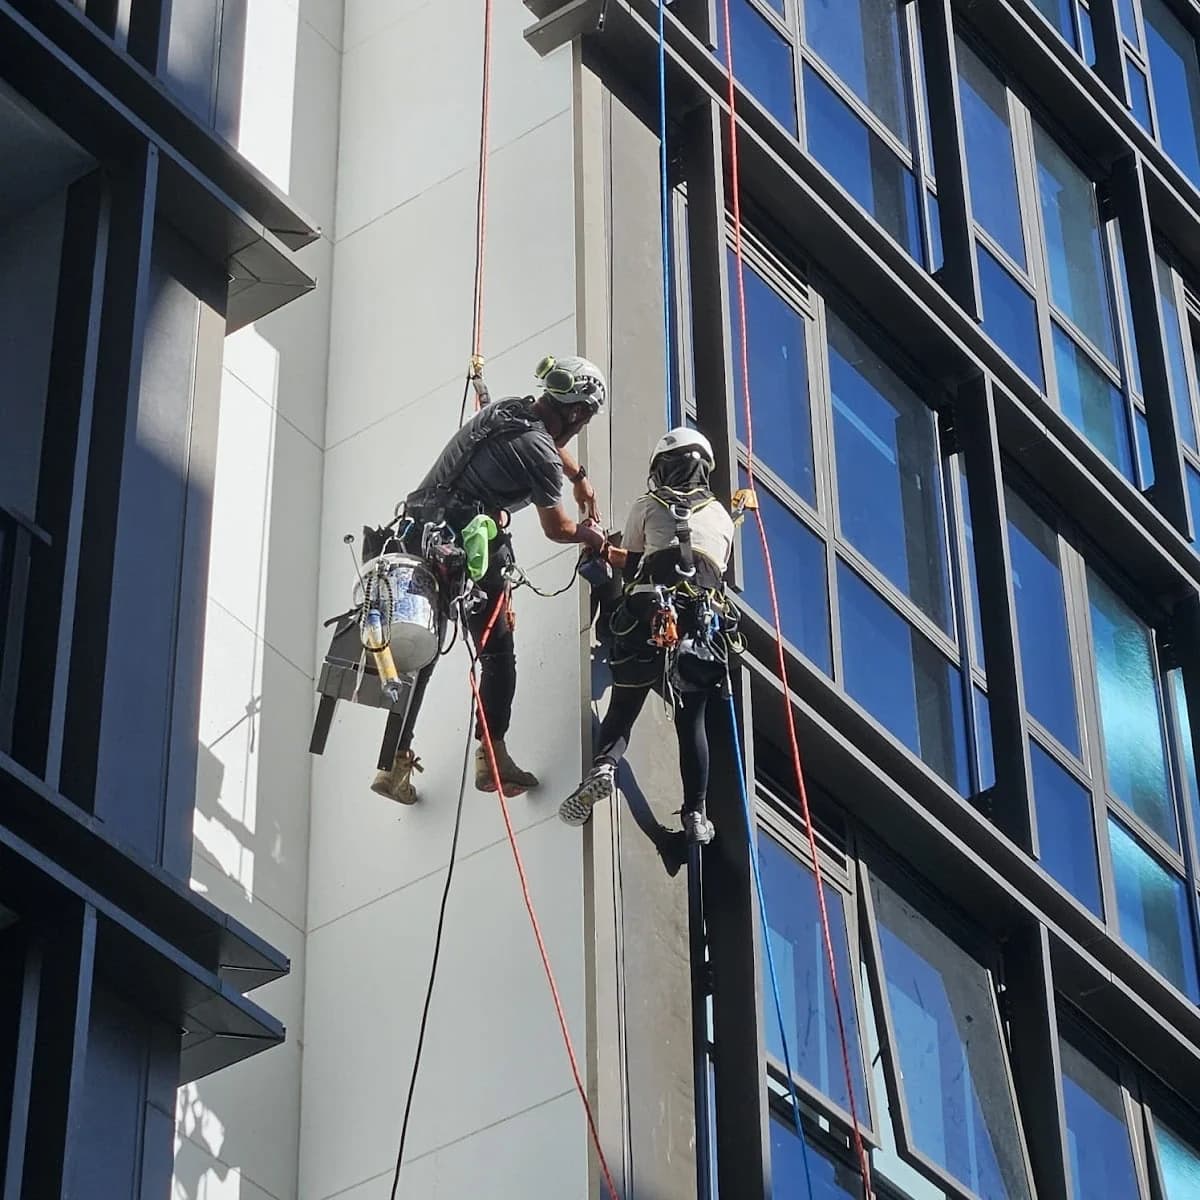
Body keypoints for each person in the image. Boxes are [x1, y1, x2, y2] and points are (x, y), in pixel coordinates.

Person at [371, 355, 612, 804]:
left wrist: (579, 476)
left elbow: (544, 440)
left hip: (419, 530)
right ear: (577, 412)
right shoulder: (539, 452)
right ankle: (493, 756)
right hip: (465, 543)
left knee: (422, 650)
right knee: (498, 652)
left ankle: (391, 766)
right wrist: (594, 538)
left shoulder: (511, 409)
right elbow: (557, 528)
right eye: (584, 420)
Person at [559, 428, 739, 845]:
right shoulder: (722, 518)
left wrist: (600, 549)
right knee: (691, 720)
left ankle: (604, 766)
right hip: (699, 628)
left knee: (625, 703)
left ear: (662, 468)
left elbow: (635, 561)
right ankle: (696, 812)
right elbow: (715, 567)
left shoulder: (648, 505)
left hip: (648, 615)